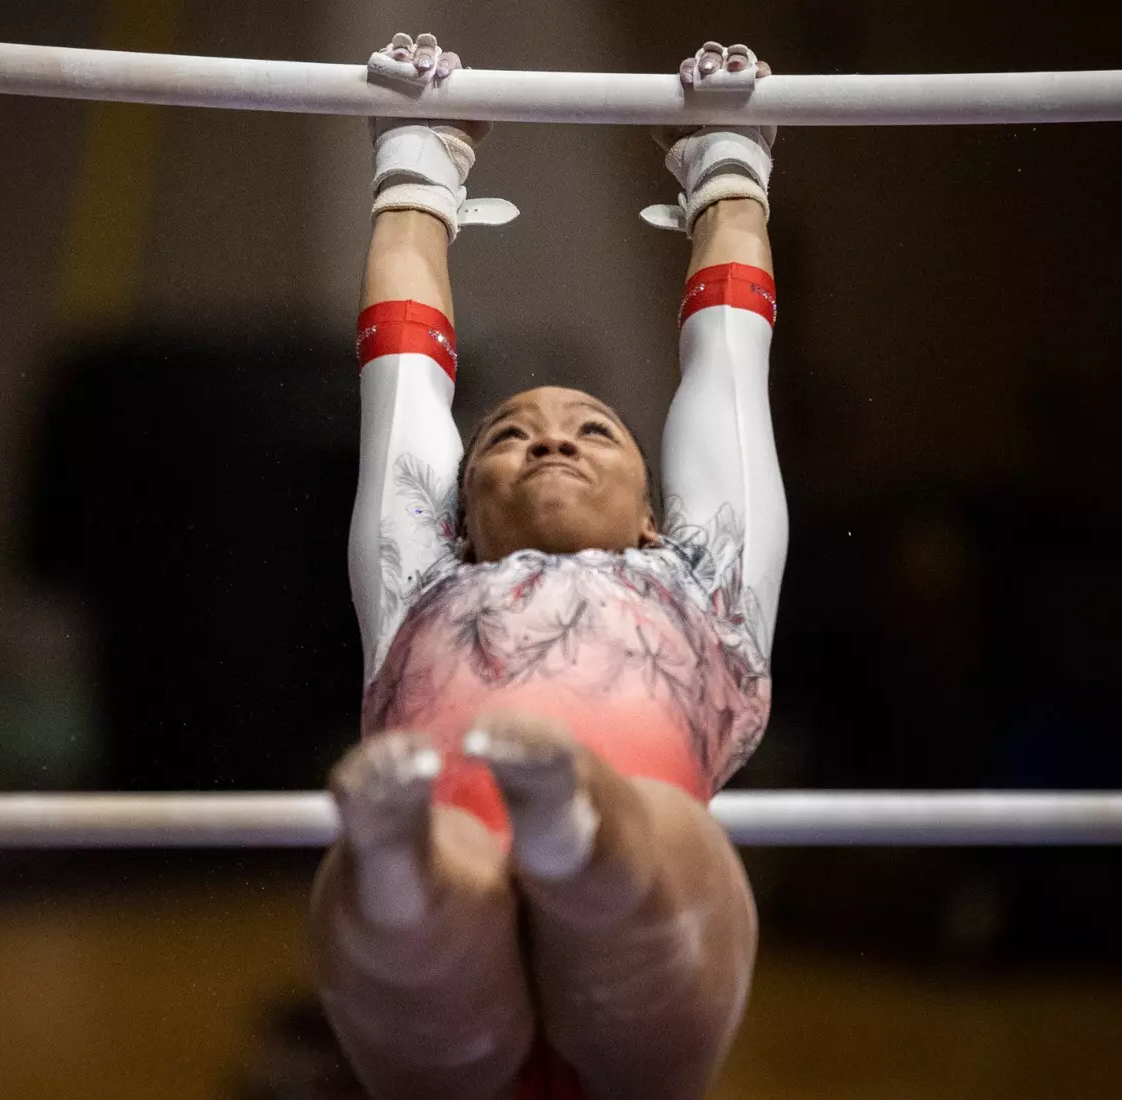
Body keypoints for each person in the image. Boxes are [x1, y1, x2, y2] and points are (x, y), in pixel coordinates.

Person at [309, 34, 789, 1100]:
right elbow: (401, 380)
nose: (551, 439)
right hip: (458, 915)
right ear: (459, 514)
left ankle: (563, 832)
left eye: (592, 431)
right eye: (509, 435)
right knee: (434, 875)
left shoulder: (700, 572)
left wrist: (728, 167)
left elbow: (729, 371)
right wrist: (416, 163)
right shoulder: (419, 581)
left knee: (660, 839)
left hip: (648, 936)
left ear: (656, 518)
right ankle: (415, 865)